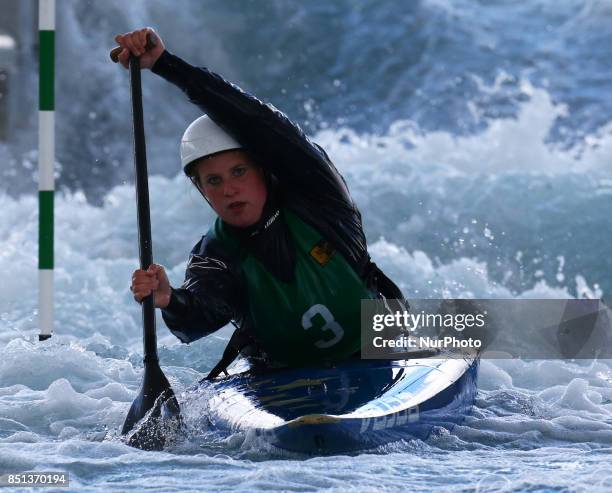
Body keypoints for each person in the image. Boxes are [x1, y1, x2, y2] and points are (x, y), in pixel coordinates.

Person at [119, 27, 404, 378]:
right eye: (213, 180)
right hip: (279, 375)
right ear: (202, 191)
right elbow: (197, 316)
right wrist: (167, 298)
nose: (229, 189)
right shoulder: (216, 253)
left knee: (487, 328)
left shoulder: (320, 200)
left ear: (264, 170)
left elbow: (259, 123)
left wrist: (166, 64)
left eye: (239, 171)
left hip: (379, 351)